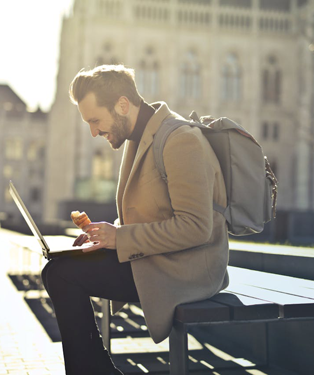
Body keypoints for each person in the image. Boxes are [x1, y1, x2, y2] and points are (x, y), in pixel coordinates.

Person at [41, 64, 229, 375]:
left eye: (95, 120)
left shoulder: (181, 139)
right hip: (160, 260)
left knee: (62, 275)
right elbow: (152, 213)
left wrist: (120, 239)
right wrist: (106, 234)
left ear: (123, 105)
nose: (94, 131)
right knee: (57, 270)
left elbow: (196, 227)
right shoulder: (140, 139)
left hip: (188, 270)